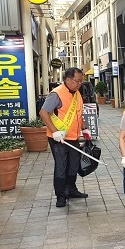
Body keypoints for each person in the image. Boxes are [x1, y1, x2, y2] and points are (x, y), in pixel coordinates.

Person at [39, 68, 91, 208]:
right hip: (58, 138)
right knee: (61, 166)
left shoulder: (77, 94)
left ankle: (71, 190)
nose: (80, 83)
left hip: (73, 137)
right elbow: (43, 113)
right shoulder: (56, 94)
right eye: (77, 81)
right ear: (68, 80)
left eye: (81, 80)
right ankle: (61, 196)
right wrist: (55, 132)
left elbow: (78, 114)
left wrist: (84, 129)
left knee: (73, 165)